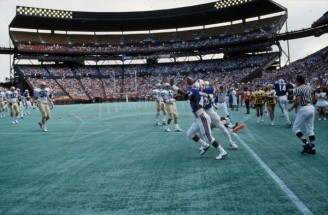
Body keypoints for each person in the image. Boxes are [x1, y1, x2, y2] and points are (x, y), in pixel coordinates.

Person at [171, 79, 227, 160]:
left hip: (202, 117)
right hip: (199, 117)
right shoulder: (202, 93)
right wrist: (174, 87)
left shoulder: (195, 93)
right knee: (189, 134)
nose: (191, 88)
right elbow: (187, 95)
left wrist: (174, 87)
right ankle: (204, 145)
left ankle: (222, 151)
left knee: (209, 138)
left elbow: (186, 95)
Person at [201, 80, 238, 149]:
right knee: (202, 129)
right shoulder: (199, 92)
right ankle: (204, 144)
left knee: (220, 125)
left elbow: (209, 89)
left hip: (209, 110)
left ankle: (230, 141)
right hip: (203, 111)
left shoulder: (207, 89)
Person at [288, 74, 316, 154]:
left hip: (304, 108)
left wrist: (292, 107)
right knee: (310, 129)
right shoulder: (308, 87)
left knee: (295, 128)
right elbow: (313, 97)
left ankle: (307, 144)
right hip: (311, 107)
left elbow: (298, 100)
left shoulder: (298, 88)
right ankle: (313, 148)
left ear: (298, 80)